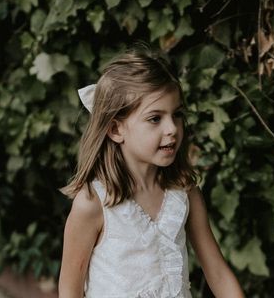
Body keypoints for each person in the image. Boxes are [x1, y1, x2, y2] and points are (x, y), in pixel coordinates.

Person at [58, 46, 245, 298]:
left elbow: (218, 273)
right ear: (116, 130)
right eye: (155, 118)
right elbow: (70, 290)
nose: (172, 128)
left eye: (177, 114)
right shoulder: (93, 203)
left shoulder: (185, 192)